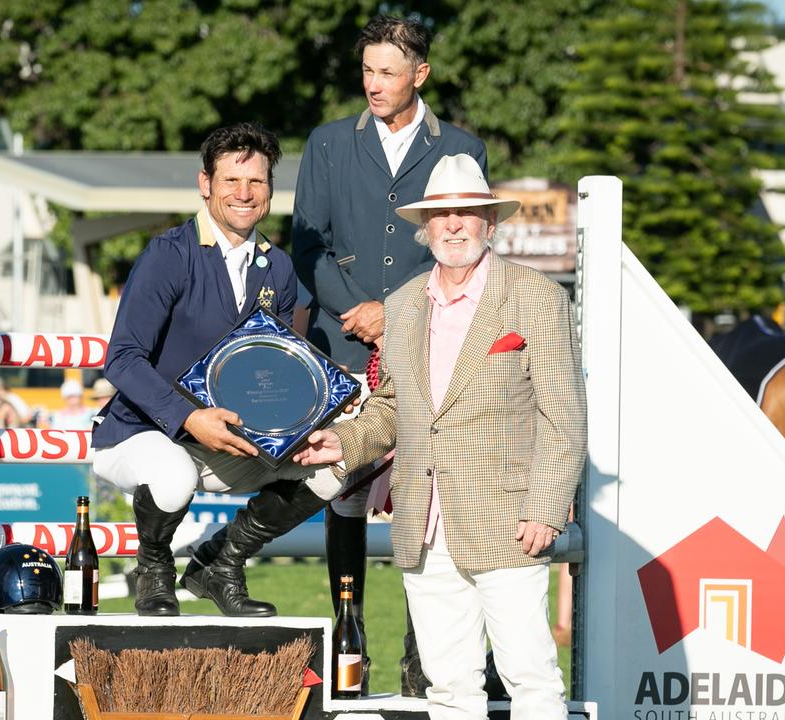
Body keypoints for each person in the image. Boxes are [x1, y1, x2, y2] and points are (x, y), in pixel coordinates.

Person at [294, 154, 586, 720]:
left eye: (466, 213)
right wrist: (345, 443)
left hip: (508, 522)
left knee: (533, 681)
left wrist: (546, 508)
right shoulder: (403, 307)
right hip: (424, 525)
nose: (454, 224)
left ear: (490, 224)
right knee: (448, 690)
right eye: (442, 214)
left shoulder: (537, 296)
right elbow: (395, 406)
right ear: (424, 230)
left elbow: (564, 413)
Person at [291, 14, 489, 693]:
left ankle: (421, 655)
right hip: (342, 339)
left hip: (430, 339)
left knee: (421, 495)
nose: (373, 84)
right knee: (342, 490)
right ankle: (350, 642)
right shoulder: (326, 143)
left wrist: (397, 313)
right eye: (367, 70)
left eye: (387, 72)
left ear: (420, 74)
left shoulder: (462, 147)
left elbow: (465, 244)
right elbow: (307, 242)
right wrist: (359, 311)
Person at [92, 122, 340, 618]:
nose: (245, 194)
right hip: (140, 433)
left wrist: (305, 421)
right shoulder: (168, 254)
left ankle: (219, 565)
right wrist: (187, 418)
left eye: (257, 181)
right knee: (174, 471)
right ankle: (154, 569)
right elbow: (121, 358)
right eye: (231, 181)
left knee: (333, 466)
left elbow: (274, 365)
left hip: (226, 438)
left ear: (270, 188)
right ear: (205, 183)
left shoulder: (280, 268)